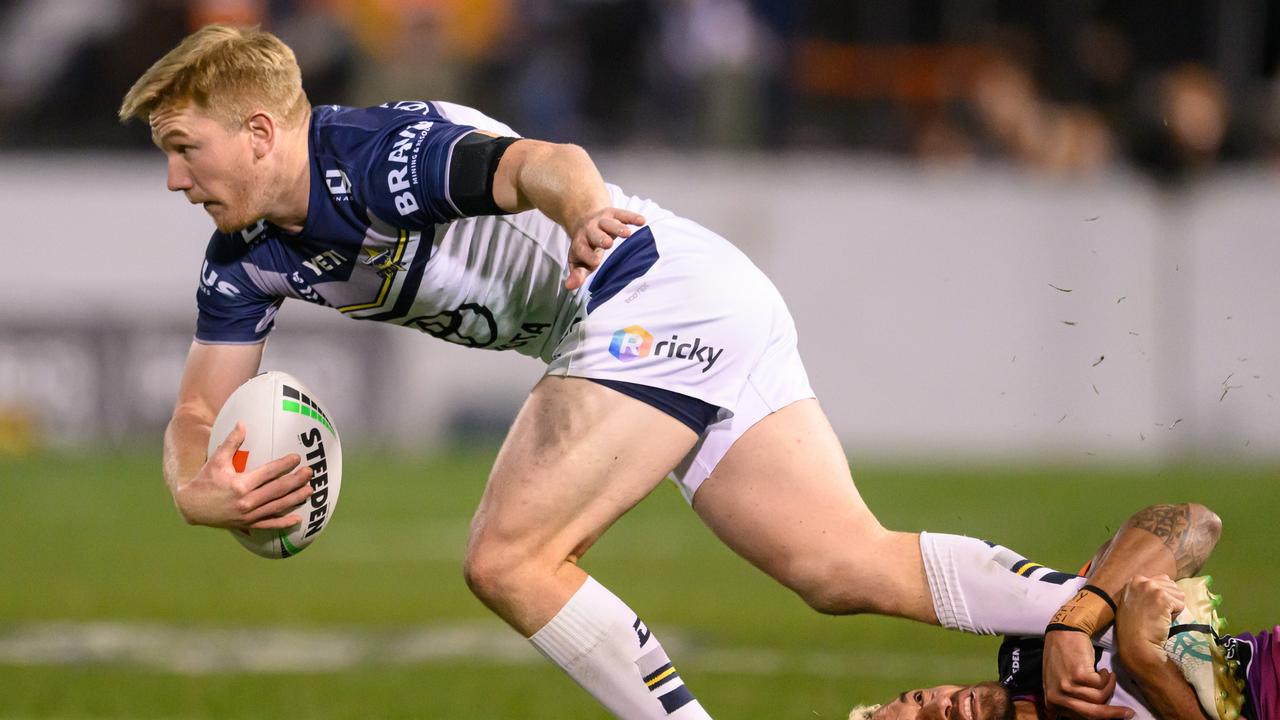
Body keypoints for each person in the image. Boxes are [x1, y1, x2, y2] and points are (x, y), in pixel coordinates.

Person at [120, 25, 1131, 719]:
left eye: (182, 147)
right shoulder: (247, 253)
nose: (173, 177)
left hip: (642, 293)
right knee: (841, 567)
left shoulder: (379, 155)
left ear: (258, 133)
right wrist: (195, 494)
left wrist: (579, 210)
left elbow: (533, 161)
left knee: (509, 557)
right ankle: (1136, 624)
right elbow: (197, 413)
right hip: (691, 300)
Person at [852, 502, 1277, 720]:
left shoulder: (1030, 645)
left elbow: (1196, 524)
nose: (941, 707)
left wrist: (1075, 620)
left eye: (921, 697)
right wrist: (1142, 659)